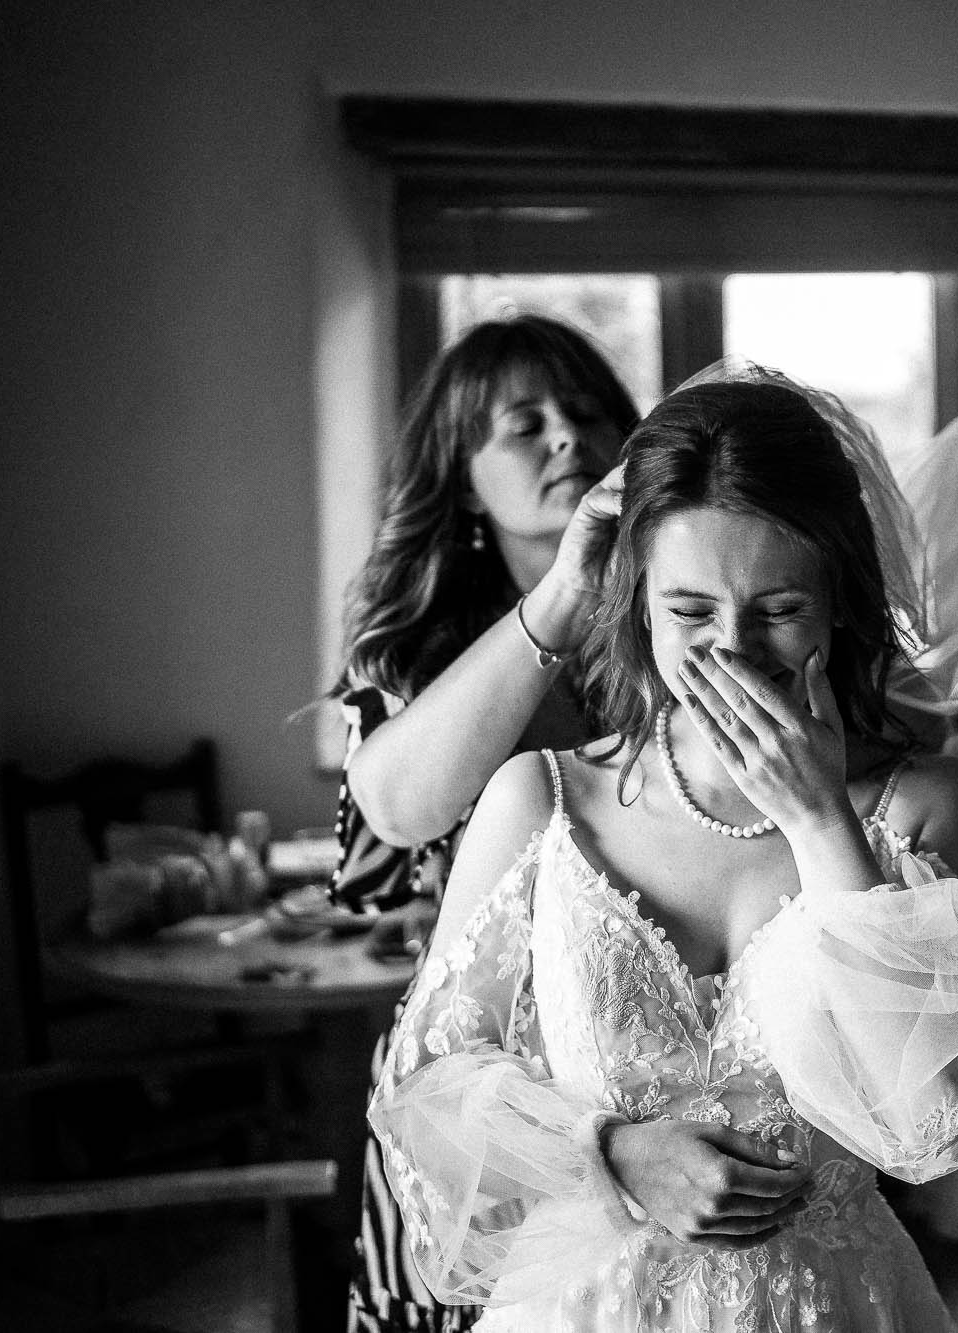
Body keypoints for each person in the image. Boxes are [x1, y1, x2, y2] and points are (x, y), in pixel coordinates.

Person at [366, 369, 958, 1331]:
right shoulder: (541, 799)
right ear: (635, 603)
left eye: (780, 609)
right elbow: (427, 1092)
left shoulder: (932, 803)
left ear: (839, 602)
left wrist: (820, 823)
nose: (732, 649)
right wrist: (611, 1152)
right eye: (690, 611)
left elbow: (934, 1124)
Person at [331, 313, 640, 1332]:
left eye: (589, 412)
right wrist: (560, 595)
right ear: (463, 479)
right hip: (472, 1105)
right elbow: (393, 813)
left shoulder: (677, 627)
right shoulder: (412, 657)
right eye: (525, 423)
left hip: (649, 1088)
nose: (567, 435)